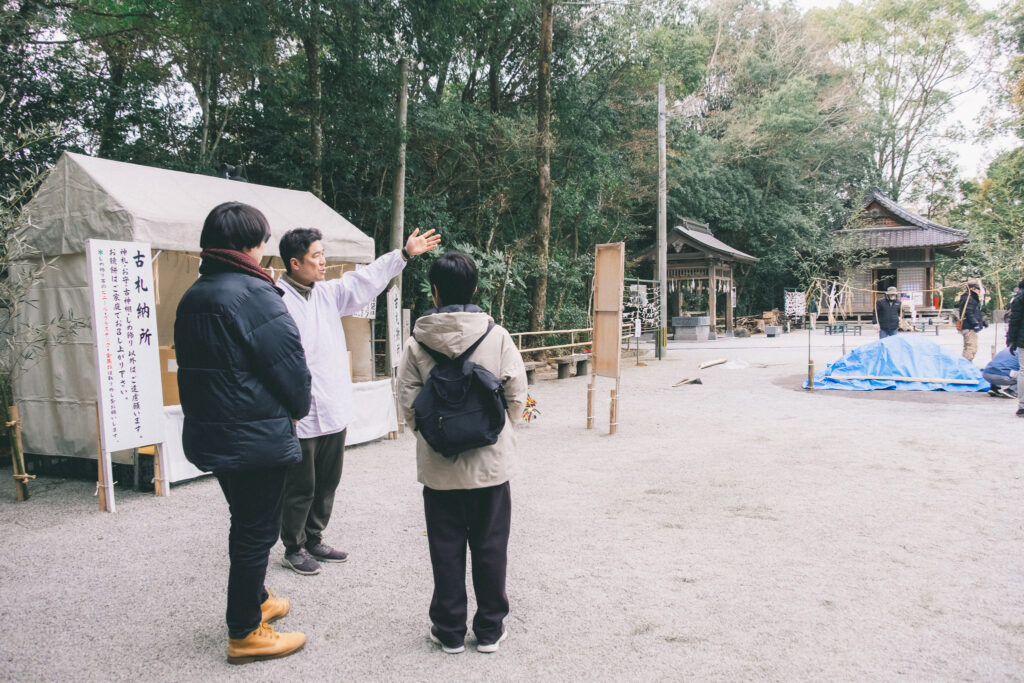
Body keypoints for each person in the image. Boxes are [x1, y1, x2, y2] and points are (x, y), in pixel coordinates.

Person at [175, 202, 311, 663]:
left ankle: (255, 599)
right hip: (255, 436)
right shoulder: (253, 293)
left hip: (216, 432)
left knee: (247, 522)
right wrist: (298, 408)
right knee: (256, 532)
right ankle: (245, 631)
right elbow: (287, 365)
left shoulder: (196, 293)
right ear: (251, 245)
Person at [276, 226, 441, 575]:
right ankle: (293, 545)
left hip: (332, 404)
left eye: (323, 254)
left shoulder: (327, 294)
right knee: (299, 485)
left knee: (327, 480)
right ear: (294, 263)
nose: (323, 262)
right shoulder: (275, 299)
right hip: (297, 412)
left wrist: (404, 255)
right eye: (316, 256)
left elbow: (366, 280)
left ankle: (315, 536)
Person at [397, 251, 527, 655]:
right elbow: (516, 395)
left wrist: (438, 438)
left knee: (445, 547)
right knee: (490, 545)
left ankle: (450, 629)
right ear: (474, 289)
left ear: (433, 291)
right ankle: (489, 629)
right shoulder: (496, 335)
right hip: (490, 468)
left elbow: (407, 404)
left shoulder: (417, 343)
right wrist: (495, 431)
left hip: (440, 470)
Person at [1006, 278, 1024, 417]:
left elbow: (1015, 320)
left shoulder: (1020, 297)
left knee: (1023, 371)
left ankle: (1022, 406)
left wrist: (1011, 339)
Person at [956, 280, 985, 362]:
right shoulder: (969, 298)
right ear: (972, 288)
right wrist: (975, 323)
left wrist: (981, 322)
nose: (979, 291)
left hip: (968, 325)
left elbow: (973, 312)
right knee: (971, 348)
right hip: (969, 327)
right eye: (978, 289)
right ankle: (965, 367)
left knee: (968, 347)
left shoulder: (969, 297)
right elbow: (968, 312)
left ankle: (964, 366)